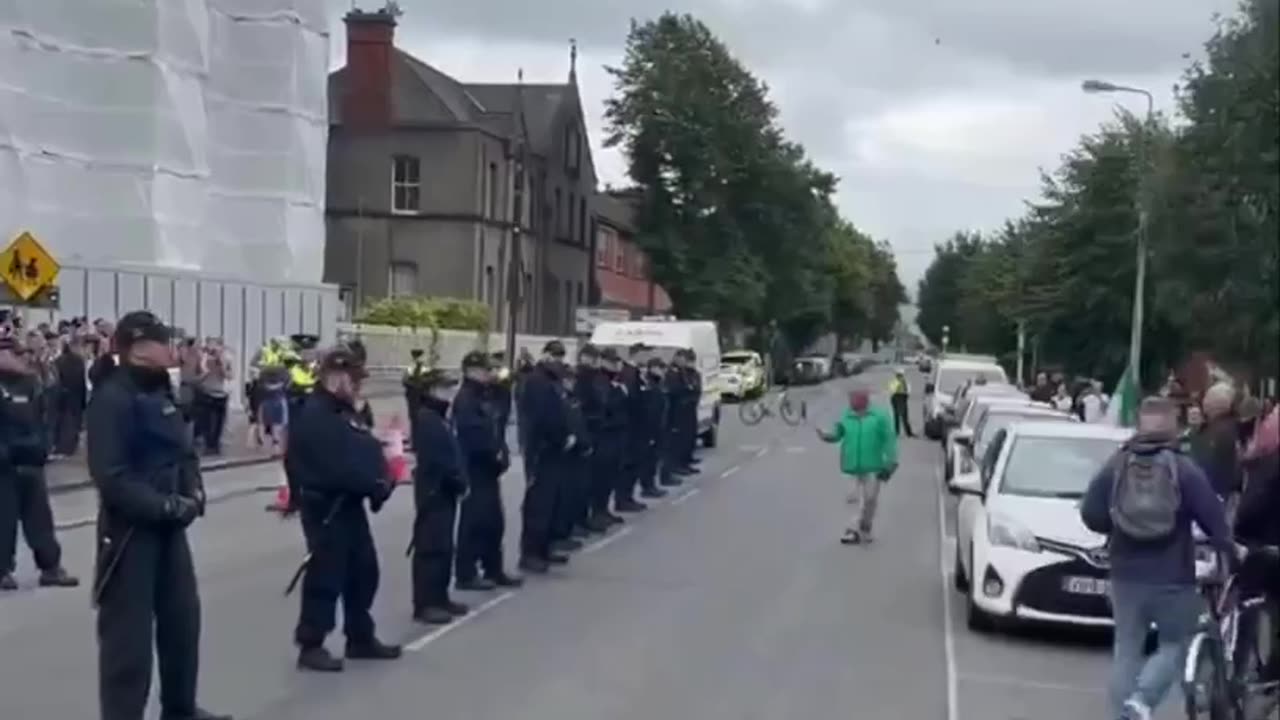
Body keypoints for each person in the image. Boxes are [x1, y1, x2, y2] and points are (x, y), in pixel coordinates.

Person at [85, 311, 227, 720]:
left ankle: (179, 709)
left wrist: (193, 490)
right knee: (127, 641)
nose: (173, 348)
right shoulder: (112, 398)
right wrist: (163, 506)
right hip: (130, 534)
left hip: (170, 530)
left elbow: (183, 452)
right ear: (140, 348)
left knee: (182, 623)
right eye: (165, 340)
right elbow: (111, 476)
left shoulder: (162, 391)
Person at [1079, 396, 1238, 720]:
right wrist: (1231, 551)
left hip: (1125, 572)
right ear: (1174, 428)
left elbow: (1091, 513)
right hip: (1172, 575)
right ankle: (1142, 701)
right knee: (1174, 644)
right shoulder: (1184, 468)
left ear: (1140, 426)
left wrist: (1118, 525)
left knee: (1126, 651)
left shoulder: (1117, 464)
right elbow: (1214, 519)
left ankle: (1124, 713)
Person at [288, 347, 400, 673]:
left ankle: (360, 637)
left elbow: (364, 449)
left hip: (350, 505)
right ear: (335, 377)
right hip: (327, 507)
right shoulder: (315, 415)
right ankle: (311, 643)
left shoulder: (346, 412)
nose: (357, 386)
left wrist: (381, 478)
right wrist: (372, 483)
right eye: (353, 379)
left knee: (363, 572)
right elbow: (335, 466)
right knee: (326, 575)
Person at [0, 335, 79, 592]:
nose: (24, 358)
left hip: (32, 462)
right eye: (16, 354)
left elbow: (45, 418)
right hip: (5, 466)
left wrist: (43, 446)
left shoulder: (31, 384)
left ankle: (50, 567)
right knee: (4, 520)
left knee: (41, 520)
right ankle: (2, 571)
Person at [454, 351, 522, 589]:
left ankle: (493, 568)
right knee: (474, 521)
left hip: (489, 469)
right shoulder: (466, 399)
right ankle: (466, 572)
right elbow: (473, 434)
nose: (491, 374)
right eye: (486, 370)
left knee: (494, 522)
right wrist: (493, 452)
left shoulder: (487, 395)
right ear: (471, 371)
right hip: (475, 467)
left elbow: (499, 423)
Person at [409, 369, 471, 625]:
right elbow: (438, 461)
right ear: (431, 390)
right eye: (444, 388)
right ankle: (426, 602)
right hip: (434, 491)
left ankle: (440, 596)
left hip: (445, 491)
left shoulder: (439, 418)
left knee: (445, 547)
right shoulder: (427, 420)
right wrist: (456, 481)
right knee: (431, 548)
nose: (450, 393)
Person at [816, 387, 898, 544]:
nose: (850, 402)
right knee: (852, 499)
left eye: (853, 398)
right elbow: (838, 433)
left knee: (870, 500)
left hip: (873, 466)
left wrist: (891, 462)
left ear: (864, 399)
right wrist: (826, 435)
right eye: (850, 398)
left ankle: (865, 527)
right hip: (851, 466)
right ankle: (851, 530)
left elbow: (889, 440)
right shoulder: (847, 415)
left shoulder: (879, 416)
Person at [520, 354, 576, 573]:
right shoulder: (537, 383)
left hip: (553, 450)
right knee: (538, 504)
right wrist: (559, 438)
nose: (558, 360)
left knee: (552, 502)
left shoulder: (552, 381)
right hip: (541, 452)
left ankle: (544, 547)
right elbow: (542, 419)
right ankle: (531, 553)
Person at [603, 347, 646, 514]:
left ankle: (627, 497)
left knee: (632, 462)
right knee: (626, 464)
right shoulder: (626, 373)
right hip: (626, 426)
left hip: (633, 426)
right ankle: (623, 498)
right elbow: (629, 399)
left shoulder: (633, 371)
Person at [402, 348, 430, 441]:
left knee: (420, 418)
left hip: (421, 396)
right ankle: (414, 439)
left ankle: (419, 438)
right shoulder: (411, 368)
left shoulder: (424, 369)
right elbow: (404, 381)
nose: (417, 359)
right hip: (413, 396)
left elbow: (429, 382)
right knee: (414, 418)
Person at [887, 368, 915, 437]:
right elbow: (907, 391)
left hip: (896, 398)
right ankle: (908, 433)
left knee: (897, 416)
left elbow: (891, 390)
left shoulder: (895, 381)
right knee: (904, 416)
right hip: (900, 398)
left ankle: (897, 432)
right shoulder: (901, 381)